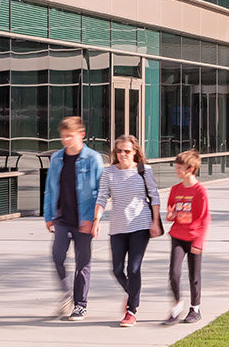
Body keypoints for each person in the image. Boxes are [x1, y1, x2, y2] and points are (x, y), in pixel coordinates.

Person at [94, 134, 160, 327]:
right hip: (118, 226)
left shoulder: (144, 170)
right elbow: (102, 197)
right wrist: (96, 219)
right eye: (119, 151)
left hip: (140, 225)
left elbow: (154, 197)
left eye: (127, 151)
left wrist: (155, 222)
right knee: (116, 270)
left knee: (133, 268)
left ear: (135, 152)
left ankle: (131, 310)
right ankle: (133, 294)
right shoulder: (109, 173)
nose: (123, 154)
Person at [42, 116, 103, 321]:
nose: (66, 140)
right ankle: (67, 293)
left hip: (84, 219)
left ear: (81, 135)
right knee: (57, 257)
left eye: (70, 136)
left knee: (82, 263)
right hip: (62, 218)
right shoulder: (57, 158)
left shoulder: (93, 158)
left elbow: (101, 193)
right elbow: (50, 189)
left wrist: (94, 220)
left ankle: (80, 305)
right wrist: (48, 215)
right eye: (63, 137)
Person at [163, 149, 209, 324]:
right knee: (174, 273)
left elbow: (204, 219)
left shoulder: (200, 192)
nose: (176, 170)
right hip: (178, 236)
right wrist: (171, 216)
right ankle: (177, 306)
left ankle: (195, 309)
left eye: (179, 167)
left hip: (194, 237)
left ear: (190, 169)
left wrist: (199, 241)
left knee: (194, 276)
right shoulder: (175, 189)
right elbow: (170, 214)